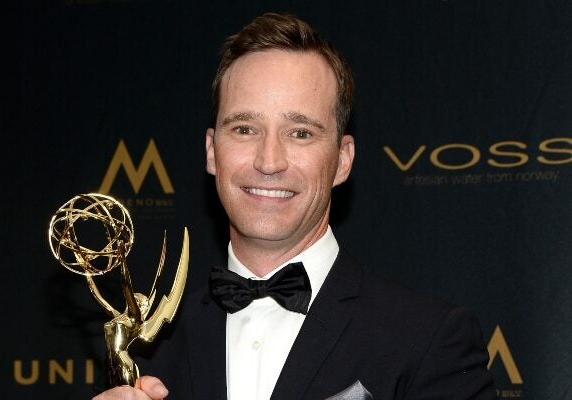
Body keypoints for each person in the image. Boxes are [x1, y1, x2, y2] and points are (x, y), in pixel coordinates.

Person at [94, 12, 496, 400]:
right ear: (212, 151)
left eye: (300, 133)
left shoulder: (426, 339)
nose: (269, 161)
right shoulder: (147, 348)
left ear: (342, 160)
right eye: (245, 129)